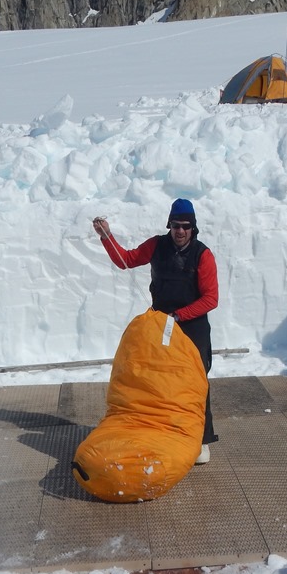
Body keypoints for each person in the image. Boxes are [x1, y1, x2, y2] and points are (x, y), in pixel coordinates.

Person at [93, 198, 218, 463]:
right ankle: (164, 433)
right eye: (175, 225)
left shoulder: (203, 255)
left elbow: (211, 299)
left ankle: (202, 441)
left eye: (185, 226)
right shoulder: (157, 245)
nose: (180, 231)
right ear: (169, 225)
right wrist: (107, 236)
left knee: (195, 384)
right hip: (162, 325)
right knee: (161, 381)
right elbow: (125, 260)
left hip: (192, 326)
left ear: (193, 228)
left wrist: (179, 315)